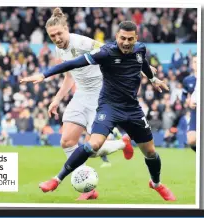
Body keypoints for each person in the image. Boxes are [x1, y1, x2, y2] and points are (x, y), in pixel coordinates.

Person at [21, 20, 176, 201]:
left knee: (150, 152)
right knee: (91, 145)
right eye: (122, 38)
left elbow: (142, 63)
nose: (126, 42)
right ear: (117, 36)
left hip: (132, 108)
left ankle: (156, 184)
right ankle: (56, 180)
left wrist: (153, 78)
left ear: (136, 38)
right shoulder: (106, 52)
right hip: (108, 106)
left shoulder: (140, 49)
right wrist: (44, 75)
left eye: (130, 39)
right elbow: (72, 65)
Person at [21, 8, 134, 201]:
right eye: (52, 35)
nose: (56, 37)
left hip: (101, 96)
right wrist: (56, 99)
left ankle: (122, 143)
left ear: (67, 29)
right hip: (81, 96)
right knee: (67, 142)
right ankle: (87, 189)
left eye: (59, 33)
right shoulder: (59, 49)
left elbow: (110, 49)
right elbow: (69, 75)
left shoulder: (81, 42)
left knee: (93, 150)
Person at [182, 54, 197, 152]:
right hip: (195, 112)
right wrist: (187, 101)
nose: (196, 64)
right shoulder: (188, 80)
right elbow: (184, 95)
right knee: (191, 140)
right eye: (195, 62)